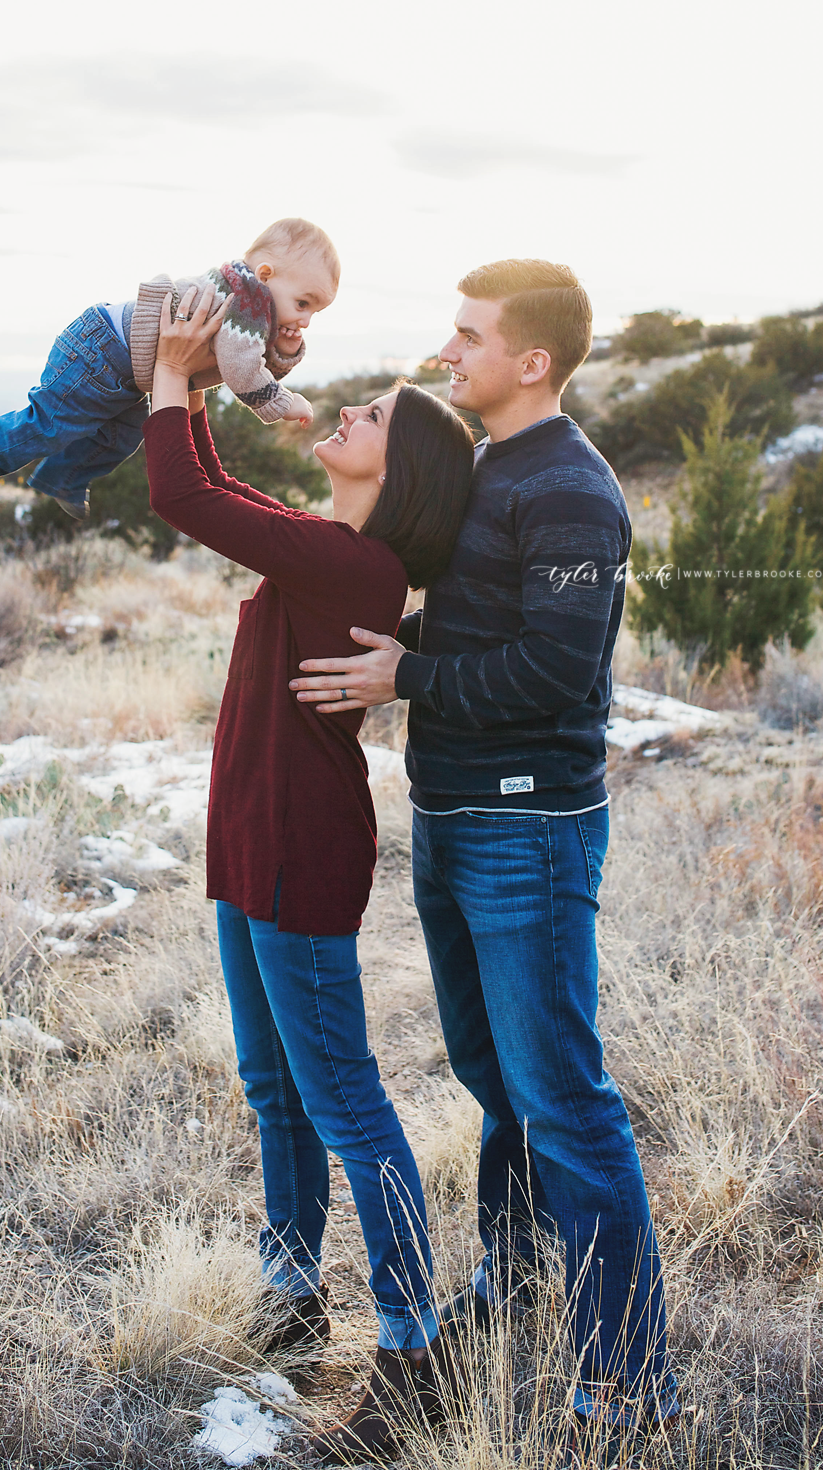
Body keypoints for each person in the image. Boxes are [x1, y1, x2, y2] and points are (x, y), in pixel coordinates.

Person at [291, 259, 679, 1451]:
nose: (445, 353)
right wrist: (388, 633)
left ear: (532, 363)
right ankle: (516, 1278)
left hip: (529, 828)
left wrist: (404, 674)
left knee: (564, 1098)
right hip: (453, 817)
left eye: (468, 337)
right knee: (492, 1077)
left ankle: (626, 1377)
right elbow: (475, 624)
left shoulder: (571, 489)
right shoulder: (492, 467)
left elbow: (557, 669)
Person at [144, 281, 476, 1467]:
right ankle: (293, 1300)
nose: (347, 411)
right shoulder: (334, 547)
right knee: (274, 1091)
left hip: (300, 847)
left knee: (346, 1102)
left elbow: (185, 492)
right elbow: (228, 496)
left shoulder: (359, 570)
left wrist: (175, 369)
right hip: (246, 842)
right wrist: (213, 390)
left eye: (373, 414)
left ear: (407, 472)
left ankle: (411, 1347)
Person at [0, 216, 336, 521]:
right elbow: (241, 367)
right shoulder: (246, 300)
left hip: (122, 366)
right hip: (100, 350)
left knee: (121, 437)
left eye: (316, 312)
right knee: (50, 424)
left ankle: (63, 478)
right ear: (266, 274)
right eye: (303, 304)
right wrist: (284, 403)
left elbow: (251, 357)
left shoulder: (250, 302)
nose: (306, 319)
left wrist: (284, 348)